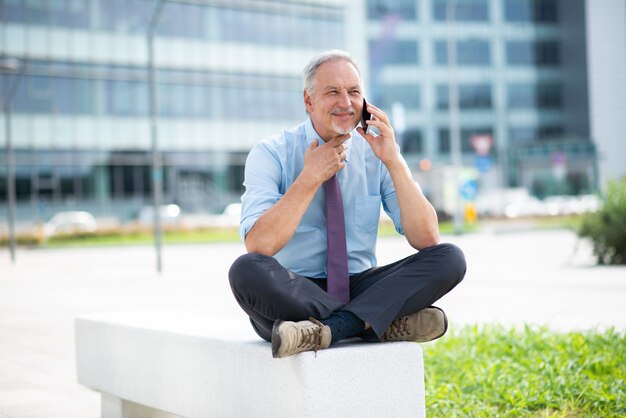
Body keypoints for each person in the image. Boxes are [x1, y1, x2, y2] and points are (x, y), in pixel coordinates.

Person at [229, 49, 466, 358]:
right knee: (245, 271)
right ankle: (371, 322)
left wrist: (393, 161)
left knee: (450, 257)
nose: (346, 102)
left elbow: (426, 238)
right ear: (308, 100)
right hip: (294, 290)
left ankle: (331, 329)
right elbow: (259, 245)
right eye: (333, 92)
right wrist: (309, 178)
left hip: (360, 285)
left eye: (354, 92)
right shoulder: (271, 153)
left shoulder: (377, 152)